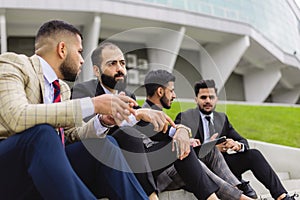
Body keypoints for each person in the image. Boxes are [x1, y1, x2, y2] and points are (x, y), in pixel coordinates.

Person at [0, 19, 168, 200]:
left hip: (49, 167)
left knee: (104, 143)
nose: (82, 60)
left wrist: (102, 121)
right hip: (11, 171)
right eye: (79, 52)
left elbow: (72, 134)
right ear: (62, 49)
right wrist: (93, 104)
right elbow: (15, 116)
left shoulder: (62, 89)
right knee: (42, 133)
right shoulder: (13, 64)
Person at [72, 43, 220, 200]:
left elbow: (147, 128)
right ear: (96, 70)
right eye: (112, 63)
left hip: (136, 164)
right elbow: (86, 132)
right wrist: (135, 115)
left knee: (178, 145)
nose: (120, 69)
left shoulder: (129, 95)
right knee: (128, 132)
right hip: (104, 165)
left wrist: (179, 131)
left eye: (122, 63)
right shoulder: (83, 91)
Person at [141, 69, 258, 200]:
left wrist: (188, 140)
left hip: (173, 166)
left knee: (210, 151)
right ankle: (242, 198)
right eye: (171, 91)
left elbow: (165, 137)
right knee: (191, 160)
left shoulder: (158, 113)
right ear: (160, 92)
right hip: (160, 176)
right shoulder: (144, 117)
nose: (174, 95)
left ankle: (237, 189)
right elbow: (149, 154)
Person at [174, 79, 298, 200]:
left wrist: (237, 145)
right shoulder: (185, 117)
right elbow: (178, 148)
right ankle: (239, 185)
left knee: (254, 155)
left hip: (225, 165)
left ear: (216, 99)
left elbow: (243, 141)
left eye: (211, 97)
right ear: (196, 99)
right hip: (199, 165)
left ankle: (281, 196)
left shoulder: (222, 118)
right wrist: (211, 149)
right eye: (203, 97)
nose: (208, 101)